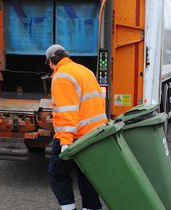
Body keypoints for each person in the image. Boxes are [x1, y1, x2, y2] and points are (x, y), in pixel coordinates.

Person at [46, 44, 108, 210]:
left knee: (57, 173)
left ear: (51, 61)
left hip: (74, 136)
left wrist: (65, 142)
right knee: (87, 174)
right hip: (95, 133)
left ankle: (69, 208)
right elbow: (99, 100)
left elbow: (68, 111)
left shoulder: (61, 77)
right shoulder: (84, 70)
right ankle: (92, 207)